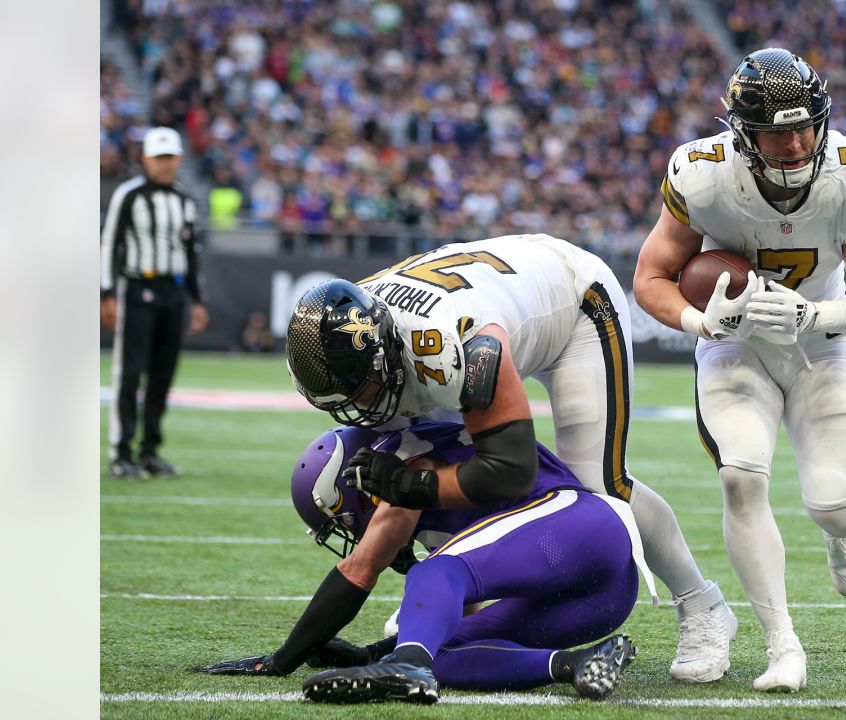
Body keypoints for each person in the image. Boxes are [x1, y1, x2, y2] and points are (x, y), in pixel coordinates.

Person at [283, 233, 737, 682]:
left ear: (383, 354)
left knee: (600, 483)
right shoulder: (355, 336)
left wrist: (409, 489)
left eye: (364, 390)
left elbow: (510, 470)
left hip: (572, 303)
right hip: (482, 306)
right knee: (427, 466)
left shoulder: (446, 346)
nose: (360, 409)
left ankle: (702, 604)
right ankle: (446, 599)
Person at [632, 48, 846, 692]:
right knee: (741, 477)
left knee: (833, 507)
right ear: (742, 133)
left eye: (806, 124)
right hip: (736, 347)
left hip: (821, 345)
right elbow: (652, 278)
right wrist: (702, 323)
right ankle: (783, 645)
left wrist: (812, 315)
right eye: (777, 130)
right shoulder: (703, 175)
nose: (796, 141)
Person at [201, 421, 649, 704]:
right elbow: (454, 616)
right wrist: (372, 654)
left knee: (433, 571)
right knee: (442, 657)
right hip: (601, 596)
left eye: (344, 521)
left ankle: (404, 667)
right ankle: (577, 663)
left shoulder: (402, 460)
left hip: (576, 522)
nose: (352, 532)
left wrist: (281, 660)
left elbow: (361, 568)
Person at [100, 126, 209, 478]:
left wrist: (196, 299)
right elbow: (109, 243)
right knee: (130, 373)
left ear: (178, 159)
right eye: (158, 158)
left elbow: (191, 253)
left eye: (170, 157)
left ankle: (149, 450)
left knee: (162, 375)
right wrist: (106, 292)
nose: (164, 164)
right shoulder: (128, 195)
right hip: (137, 288)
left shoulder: (184, 199)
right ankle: (121, 452)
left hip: (173, 292)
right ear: (145, 158)